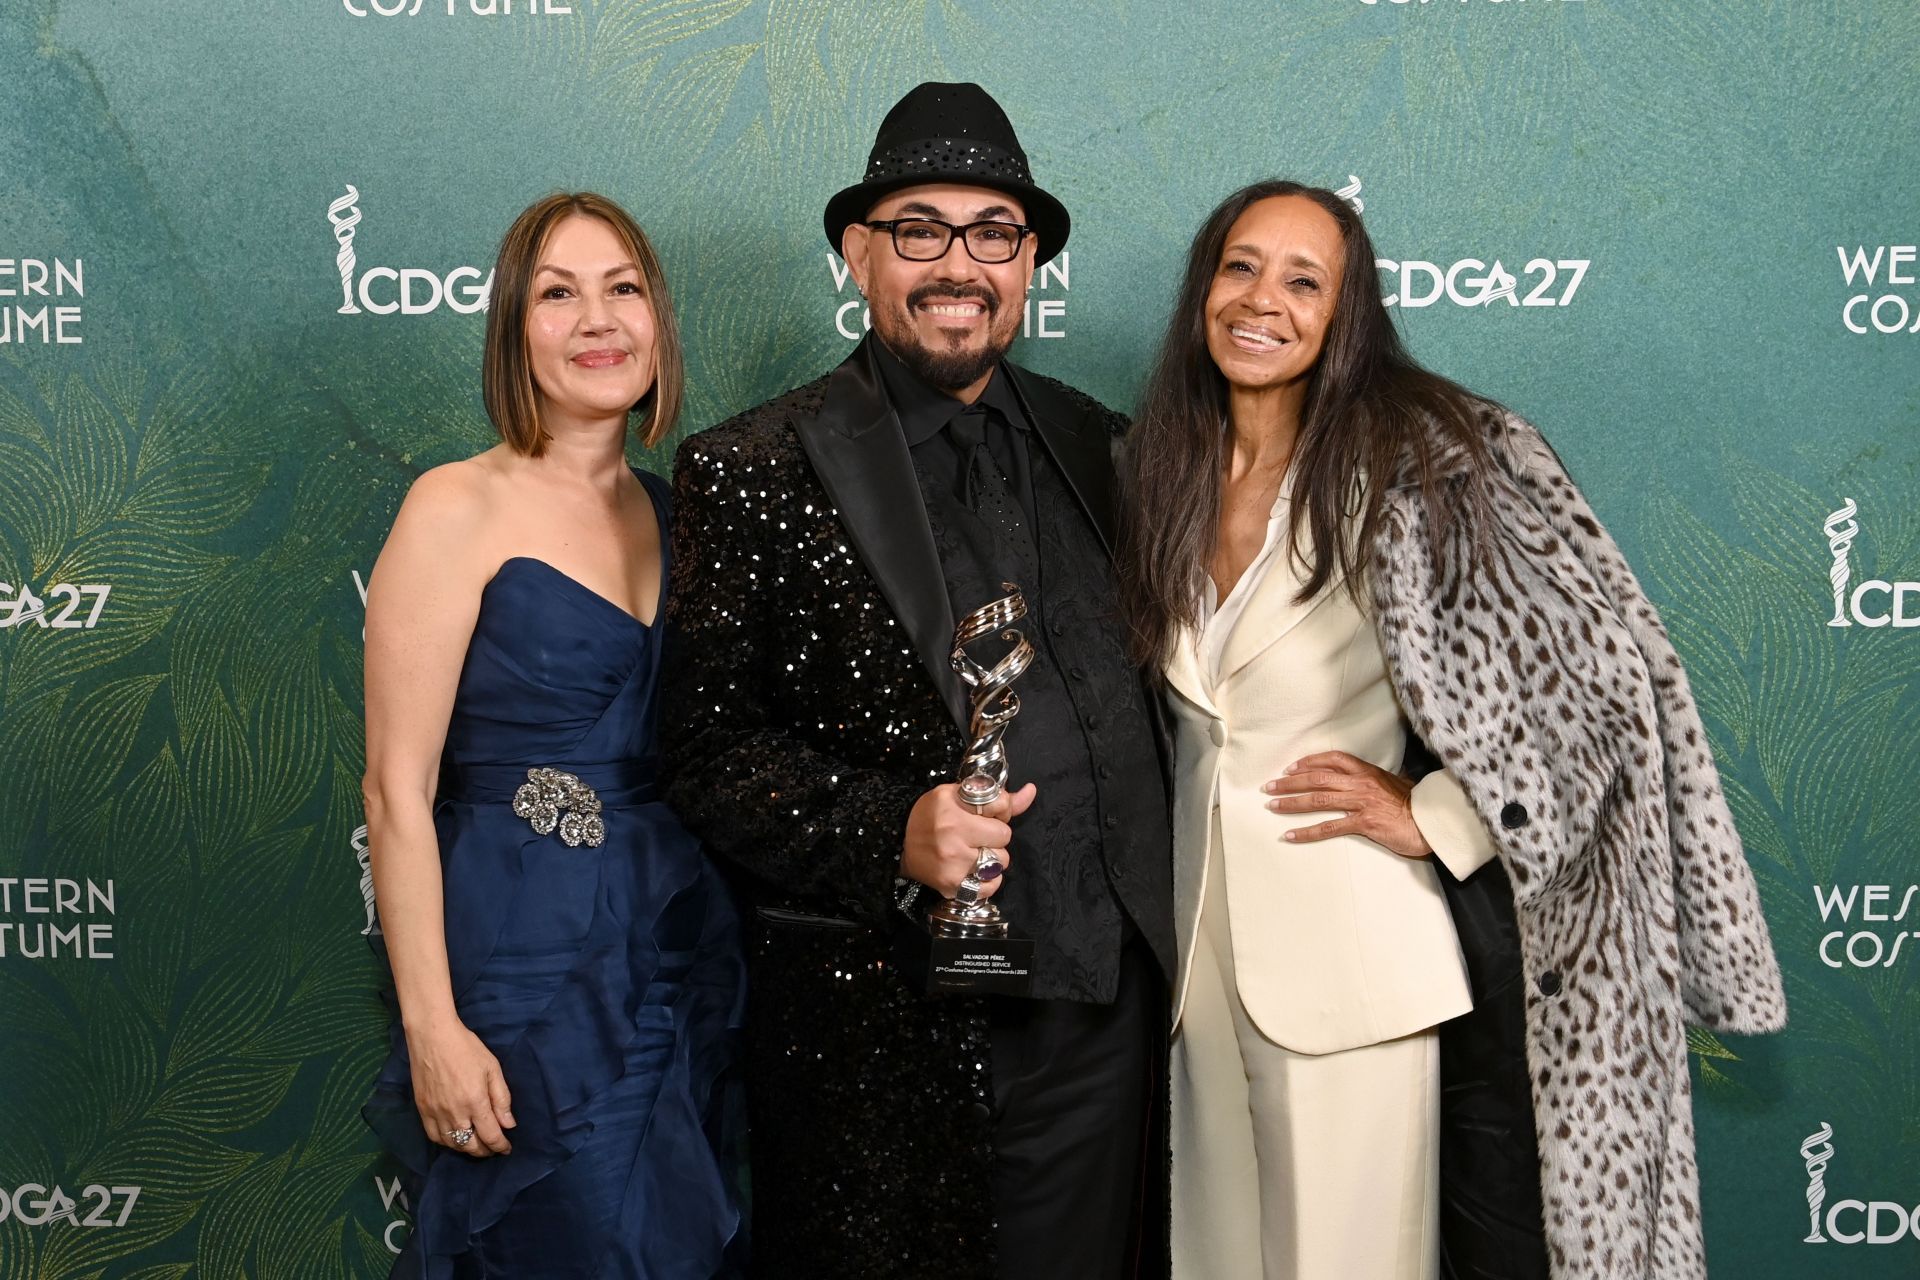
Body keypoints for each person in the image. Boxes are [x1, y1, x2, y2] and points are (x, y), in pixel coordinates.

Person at [1115, 180, 1786, 1280]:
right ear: (1203, 289)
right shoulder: (1161, 466)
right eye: (1240, 266)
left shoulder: (1429, 463)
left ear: (1347, 314)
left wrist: (1444, 814)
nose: (1262, 300)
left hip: (1355, 959)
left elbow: (1603, 693)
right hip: (1194, 960)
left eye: (1303, 281)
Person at [660, 83, 1175, 1280]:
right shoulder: (750, 467)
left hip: (1106, 1021)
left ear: (1029, 260)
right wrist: (892, 827)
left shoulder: (1110, 447)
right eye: (920, 230)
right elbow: (704, 752)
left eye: (992, 232)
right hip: (885, 1032)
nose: (959, 265)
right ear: (859, 252)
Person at [360, 192, 746, 1279]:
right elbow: (394, 790)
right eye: (558, 293)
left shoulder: (677, 513)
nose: (598, 319)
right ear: (513, 330)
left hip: (674, 944)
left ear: (658, 319)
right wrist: (433, 1026)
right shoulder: (454, 506)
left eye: (623, 288)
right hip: (520, 955)